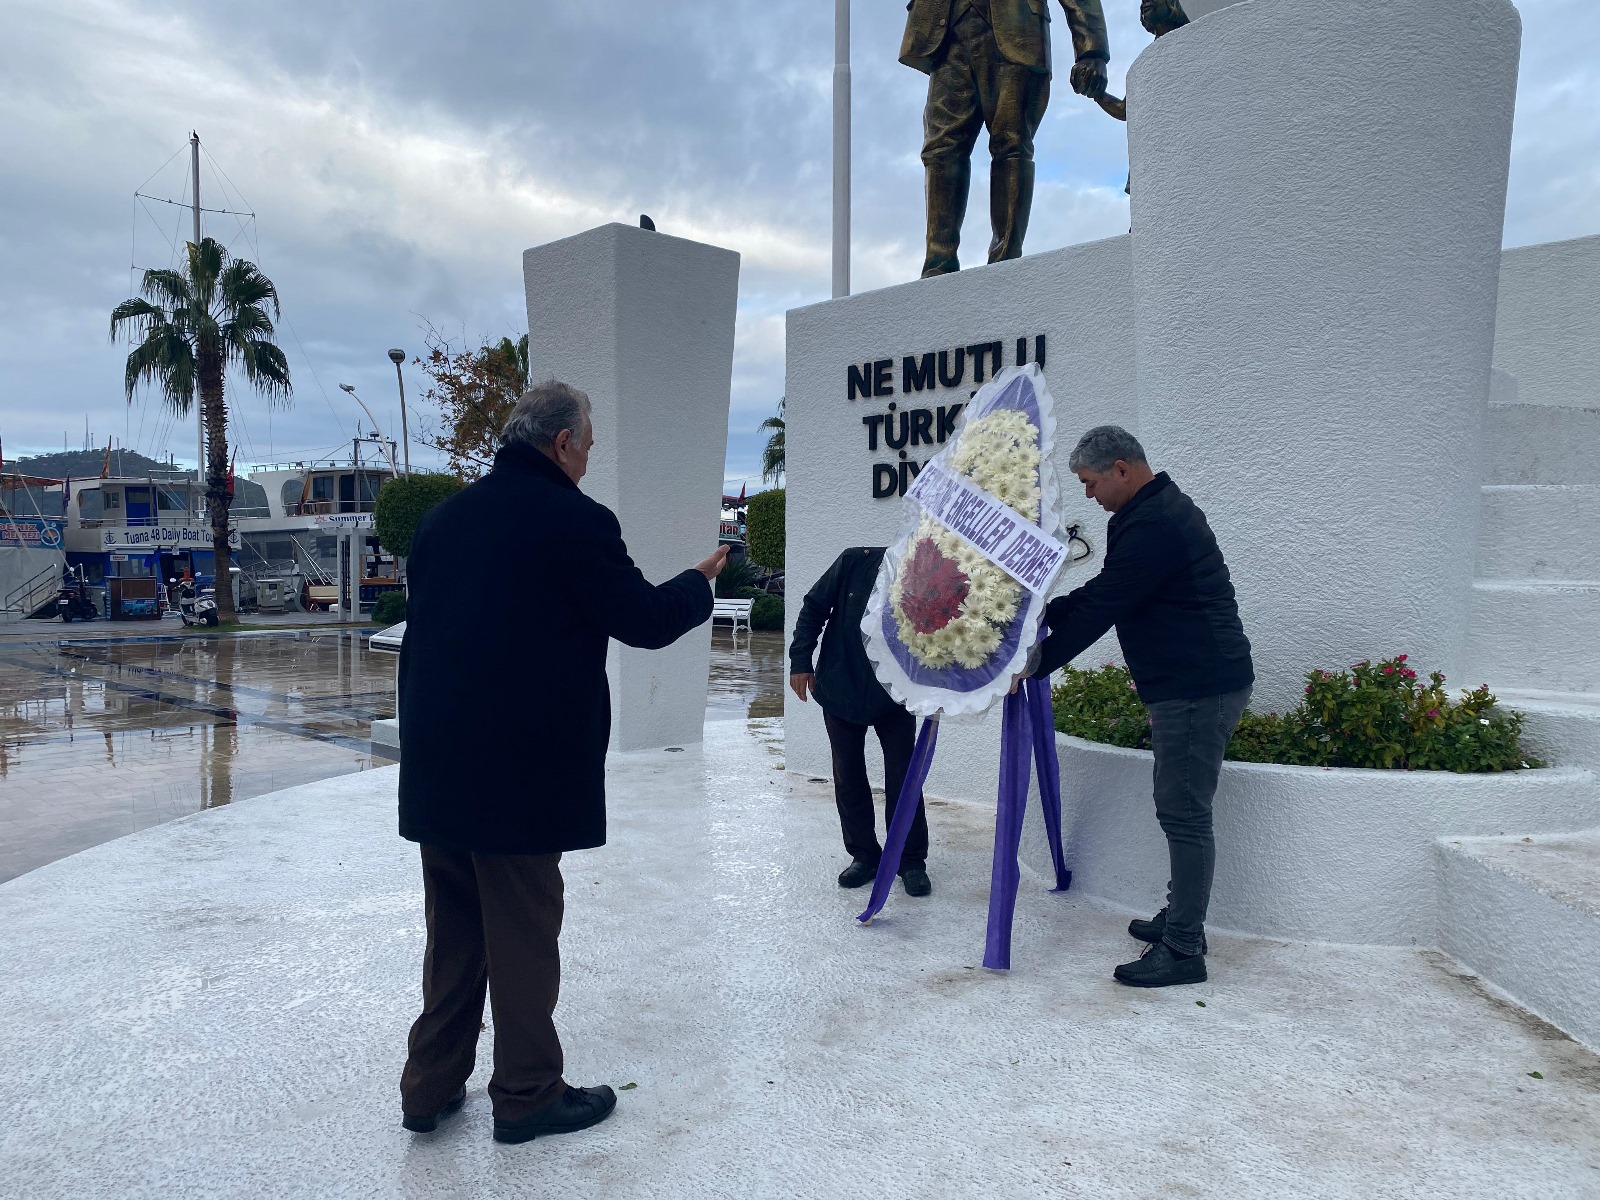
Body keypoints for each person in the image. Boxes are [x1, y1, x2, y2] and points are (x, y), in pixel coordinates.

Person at [396, 380, 727, 1143]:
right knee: (522, 932)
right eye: (588, 441)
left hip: (440, 767)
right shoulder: (575, 522)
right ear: (562, 444)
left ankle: (429, 1088)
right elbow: (642, 620)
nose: (590, 456)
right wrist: (697, 584)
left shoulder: (441, 520)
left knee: (454, 933)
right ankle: (527, 1094)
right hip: (520, 774)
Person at [1032, 426, 1253, 988]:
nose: (1088, 494)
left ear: (1122, 469)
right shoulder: (1149, 513)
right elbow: (1111, 587)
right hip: (1187, 683)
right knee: (1180, 809)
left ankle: (1183, 949)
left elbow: (1108, 601)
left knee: (1183, 812)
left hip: (1198, 687)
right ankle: (1182, 922)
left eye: (1090, 482)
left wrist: (1033, 662)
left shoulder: (1154, 523)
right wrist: (1047, 613)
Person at [900, 0, 1111, 277]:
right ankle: (938, 264)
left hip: (1016, 32)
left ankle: (1005, 259)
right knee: (940, 148)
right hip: (946, 36)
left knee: (1011, 143)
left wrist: (1090, 49)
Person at [790, 547, 933, 897]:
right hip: (841, 684)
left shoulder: (929, 571)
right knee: (848, 774)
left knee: (904, 777)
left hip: (896, 695)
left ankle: (910, 861)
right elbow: (814, 607)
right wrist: (800, 660)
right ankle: (864, 856)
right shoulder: (855, 561)